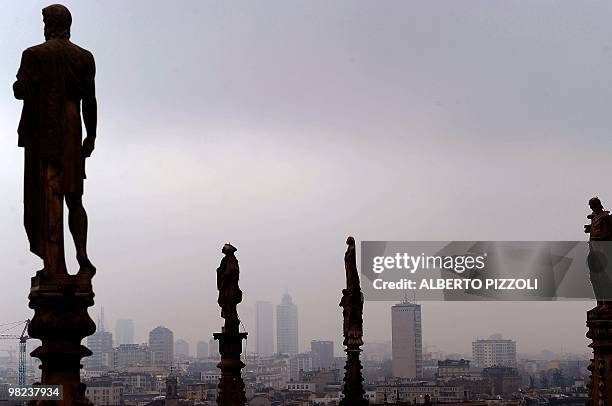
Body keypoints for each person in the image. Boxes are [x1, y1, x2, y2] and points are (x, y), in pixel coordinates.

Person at [13, 4, 97, 275]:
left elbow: (20, 91)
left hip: (45, 131)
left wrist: (22, 83)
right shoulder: (84, 57)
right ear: (68, 26)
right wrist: (91, 135)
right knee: (74, 197)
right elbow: (90, 101)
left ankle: (54, 265)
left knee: (50, 194)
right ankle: (82, 253)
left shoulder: (34, 55)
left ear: (48, 25)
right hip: (73, 125)